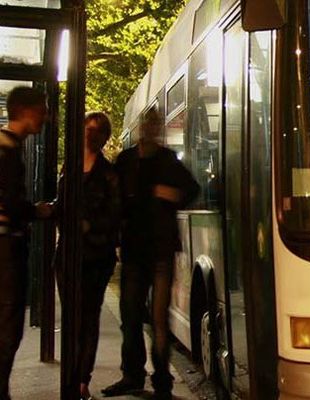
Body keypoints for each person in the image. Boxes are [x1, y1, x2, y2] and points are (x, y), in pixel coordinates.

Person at [102, 108, 199, 400]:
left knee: (158, 318)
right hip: (135, 250)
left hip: (160, 250)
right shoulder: (126, 160)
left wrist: (171, 195)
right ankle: (133, 375)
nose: (152, 128)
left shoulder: (168, 161)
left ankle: (161, 383)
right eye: (149, 123)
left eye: (156, 123)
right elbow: (114, 201)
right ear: (142, 127)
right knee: (130, 316)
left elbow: (192, 190)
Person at [52, 112, 120, 400]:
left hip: (95, 257)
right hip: (68, 255)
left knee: (87, 318)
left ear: (104, 138)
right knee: (73, 318)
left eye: (97, 131)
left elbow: (115, 217)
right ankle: (73, 376)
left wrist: (89, 225)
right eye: (87, 129)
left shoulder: (108, 174)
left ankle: (81, 380)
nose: (90, 135)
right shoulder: (70, 167)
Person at [0, 86, 50, 400]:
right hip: (5, 249)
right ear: (27, 111)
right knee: (8, 326)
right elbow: (12, 203)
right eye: (43, 109)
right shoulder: (7, 151)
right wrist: (38, 211)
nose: (46, 116)